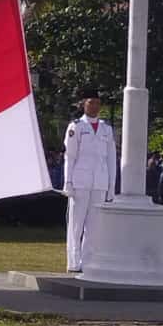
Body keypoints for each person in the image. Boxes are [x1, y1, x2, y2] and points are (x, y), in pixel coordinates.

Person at [62, 88, 115, 273]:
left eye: (97, 103)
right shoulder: (76, 126)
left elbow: (111, 158)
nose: (94, 107)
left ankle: (89, 262)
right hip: (80, 180)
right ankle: (74, 262)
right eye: (91, 102)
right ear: (83, 104)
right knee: (76, 224)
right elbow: (70, 156)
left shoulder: (106, 128)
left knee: (94, 226)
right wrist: (67, 182)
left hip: (99, 181)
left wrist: (111, 187)